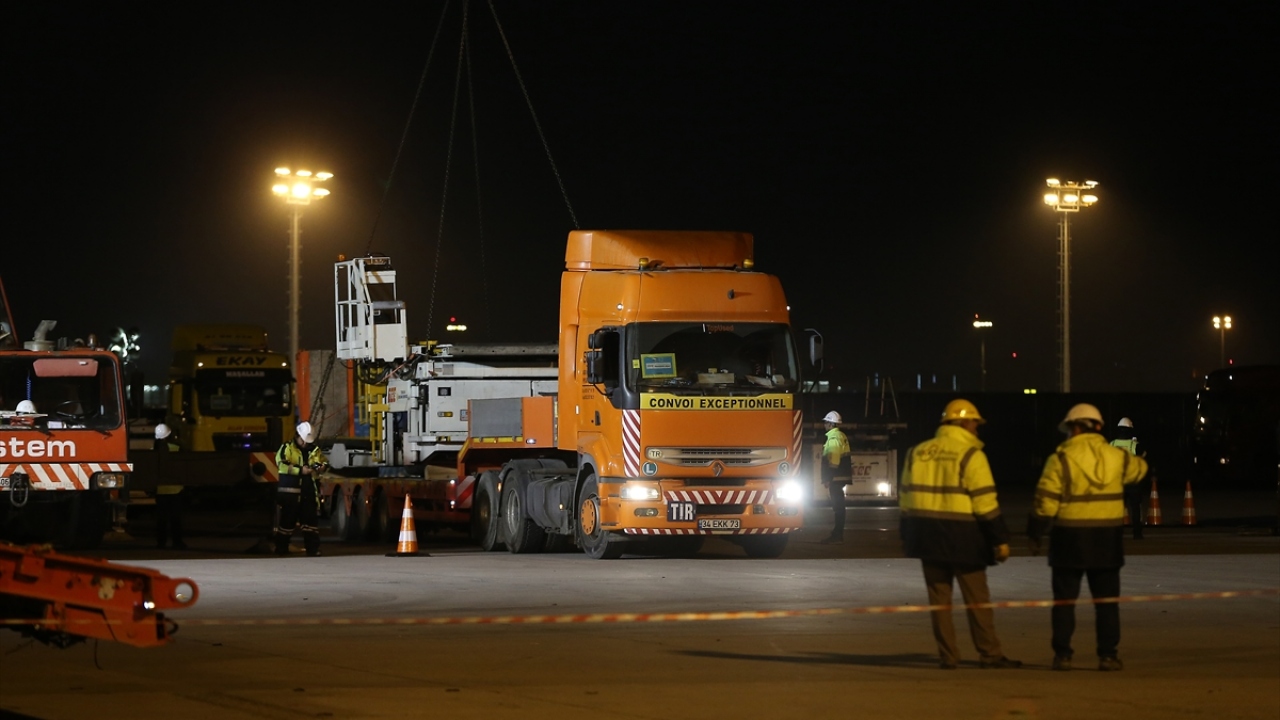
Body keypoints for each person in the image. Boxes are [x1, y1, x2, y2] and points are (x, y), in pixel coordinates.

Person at [899, 398, 1021, 670]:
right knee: (977, 600)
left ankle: (948, 657)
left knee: (939, 602)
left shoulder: (916, 453)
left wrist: (907, 535)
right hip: (964, 538)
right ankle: (990, 654)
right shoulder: (971, 454)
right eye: (975, 424)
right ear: (964, 423)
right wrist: (1000, 539)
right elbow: (985, 503)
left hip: (926, 536)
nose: (977, 430)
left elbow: (905, 500)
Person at [1028, 403, 1149, 672]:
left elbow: (1044, 503)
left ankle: (1063, 656)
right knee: (1106, 604)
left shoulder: (1060, 458)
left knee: (1064, 603)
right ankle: (1107, 656)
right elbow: (1139, 470)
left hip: (1068, 540)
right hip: (1106, 541)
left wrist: (1035, 533)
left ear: (1073, 428)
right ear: (1097, 427)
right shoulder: (1115, 456)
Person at [274, 421, 329, 556]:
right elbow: (281, 465)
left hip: (308, 492)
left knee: (310, 524)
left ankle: (313, 549)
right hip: (290, 495)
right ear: (298, 436)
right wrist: (300, 471)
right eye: (303, 440)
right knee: (287, 523)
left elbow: (324, 462)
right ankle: (281, 549)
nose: (305, 443)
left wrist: (322, 467)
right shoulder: (287, 448)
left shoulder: (314, 450)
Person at [1110, 417, 1147, 539]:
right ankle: (1137, 534)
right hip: (1133, 482)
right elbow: (1143, 457)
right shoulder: (1134, 445)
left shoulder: (1112, 444)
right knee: (1135, 508)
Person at [818, 411, 851, 544]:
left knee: (838, 507)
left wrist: (828, 478)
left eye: (826, 422)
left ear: (831, 424)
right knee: (839, 507)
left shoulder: (833, 438)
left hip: (835, 478)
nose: (824, 424)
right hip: (840, 478)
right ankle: (837, 533)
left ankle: (837, 535)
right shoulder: (841, 436)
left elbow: (833, 461)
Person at [153, 423, 186, 549]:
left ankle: (161, 543)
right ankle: (177, 542)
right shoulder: (177, 448)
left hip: (160, 491)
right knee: (175, 519)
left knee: (161, 519)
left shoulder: (154, 452)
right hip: (176, 490)